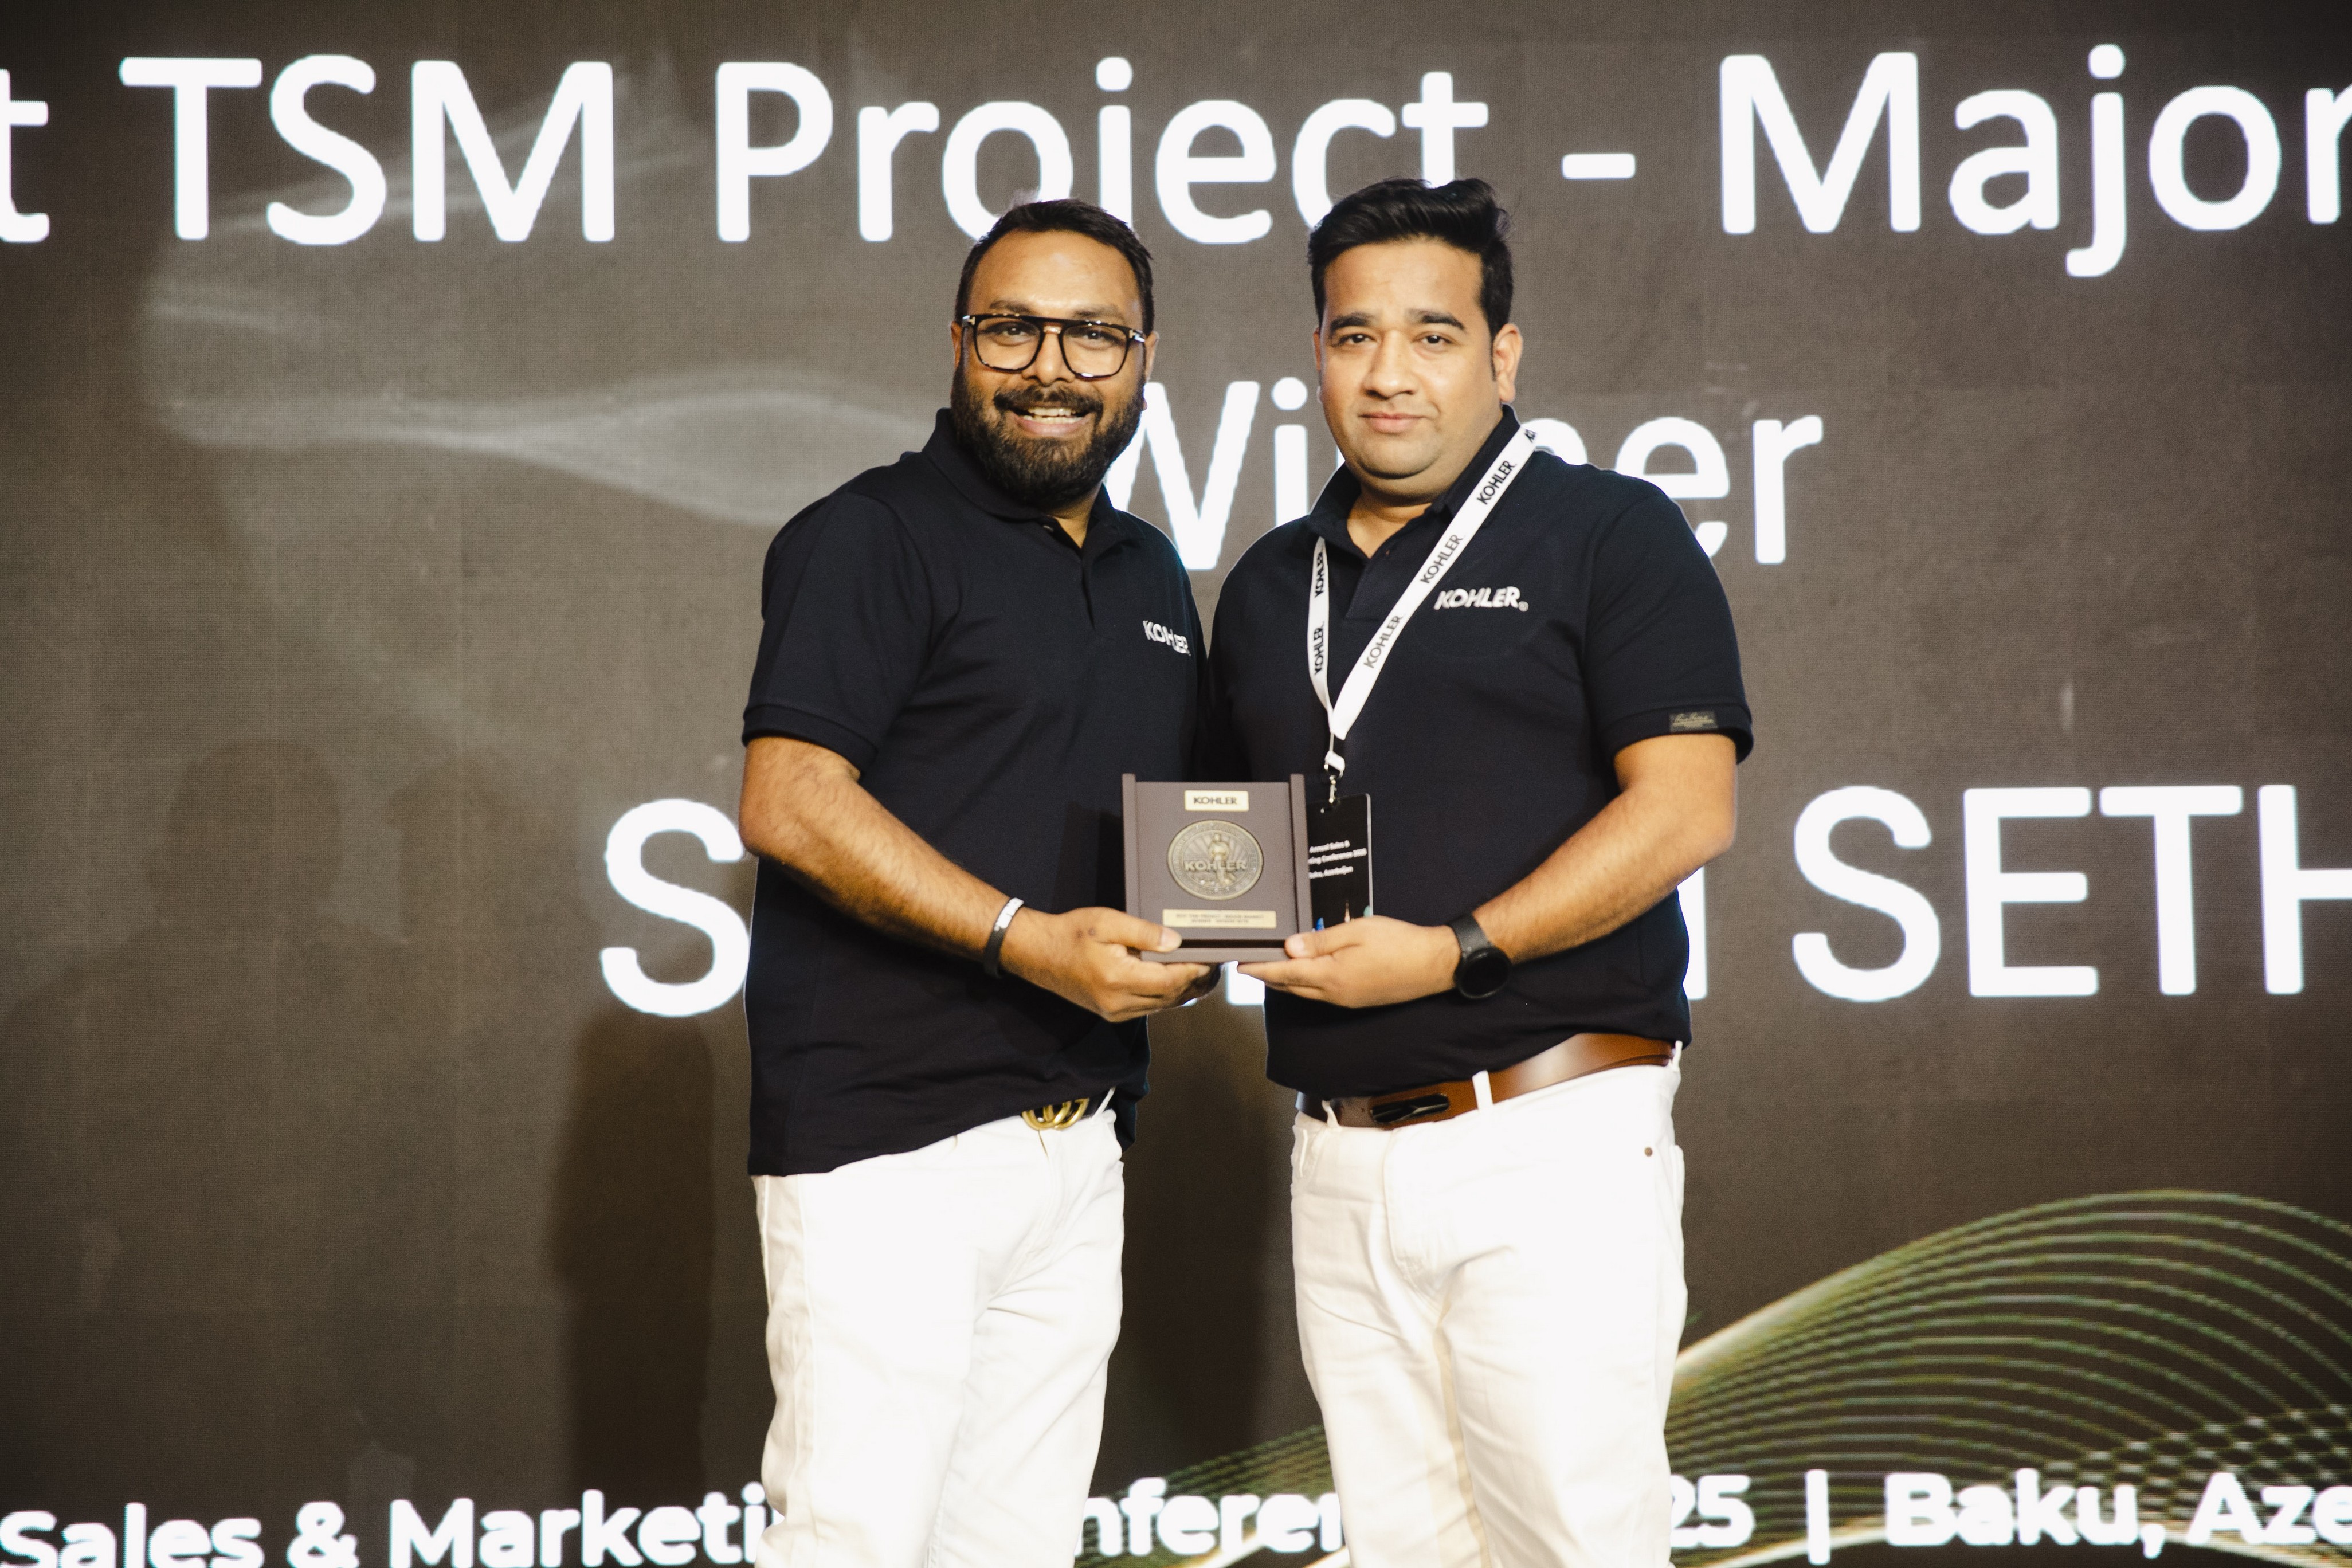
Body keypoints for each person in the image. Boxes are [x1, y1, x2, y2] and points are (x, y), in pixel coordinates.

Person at [1208, 177, 1752, 1567]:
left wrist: (1454, 949)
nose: (1389, 374)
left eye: (1433, 336)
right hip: (1338, 1153)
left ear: (1503, 356)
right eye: (1354, 336)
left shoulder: (1611, 533)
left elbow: (1687, 812)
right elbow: (1232, 844)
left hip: (1549, 1132)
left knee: (1576, 1544)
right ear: (1317, 352)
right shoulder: (1269, 584)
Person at [735, 198, 1215, 1568]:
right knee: (854, 1543)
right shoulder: (870, 535)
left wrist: (1215, 938)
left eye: (1094, 336)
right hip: (892, 1146)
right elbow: (791, 800)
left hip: (1078, 1140)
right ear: (959, 343)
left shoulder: (1149, 570)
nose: (1051, 368)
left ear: (1144, 359)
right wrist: (1024, 939)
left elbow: (1184, 837)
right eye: (1013, 330)